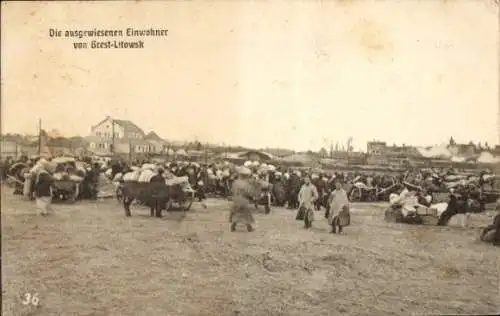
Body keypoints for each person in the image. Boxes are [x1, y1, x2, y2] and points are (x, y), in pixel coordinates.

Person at [229, 167, 257, 232]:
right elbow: (249, 192)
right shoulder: (246, 183)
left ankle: (233, 226)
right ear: (246, 176)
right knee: (246, 214)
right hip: (244, 200)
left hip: (236, 199)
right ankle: (249, 228)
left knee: (237, 213)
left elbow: (232, 191)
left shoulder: (235, 182)